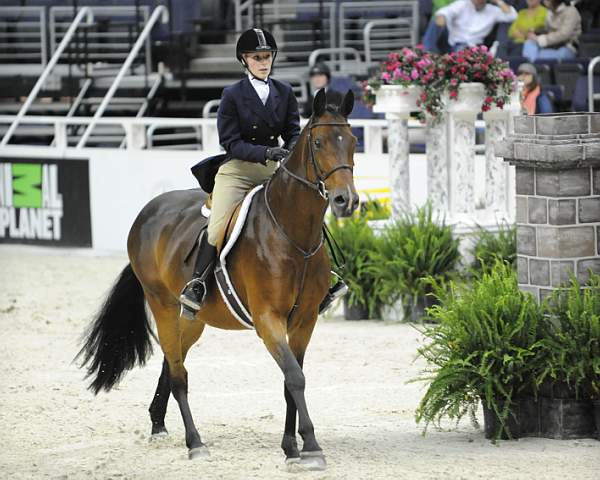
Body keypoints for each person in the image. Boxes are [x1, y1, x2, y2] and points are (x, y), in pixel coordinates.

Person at [182, 28, 347, 316]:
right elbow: (230, 142)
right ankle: (197, 284)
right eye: (257, 57)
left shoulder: (284, 92)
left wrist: (292, 149)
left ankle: (322, 282)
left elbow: (294, 132)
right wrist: (265, 152)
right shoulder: (232, 95)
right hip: (239, 170)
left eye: (267, 56)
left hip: (274, 169)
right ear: (245, 60)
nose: (263, 62)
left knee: (308, 213)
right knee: (218, 224)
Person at [423, 0, 517, 53]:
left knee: (464, 49)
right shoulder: (463, 4)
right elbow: (447, 11)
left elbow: (512, 16)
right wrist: (442, 17)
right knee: (436, 21)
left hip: (471, 47)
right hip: (450, 43)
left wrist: (498, 1)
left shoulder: (493, 11)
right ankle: (428, 52)